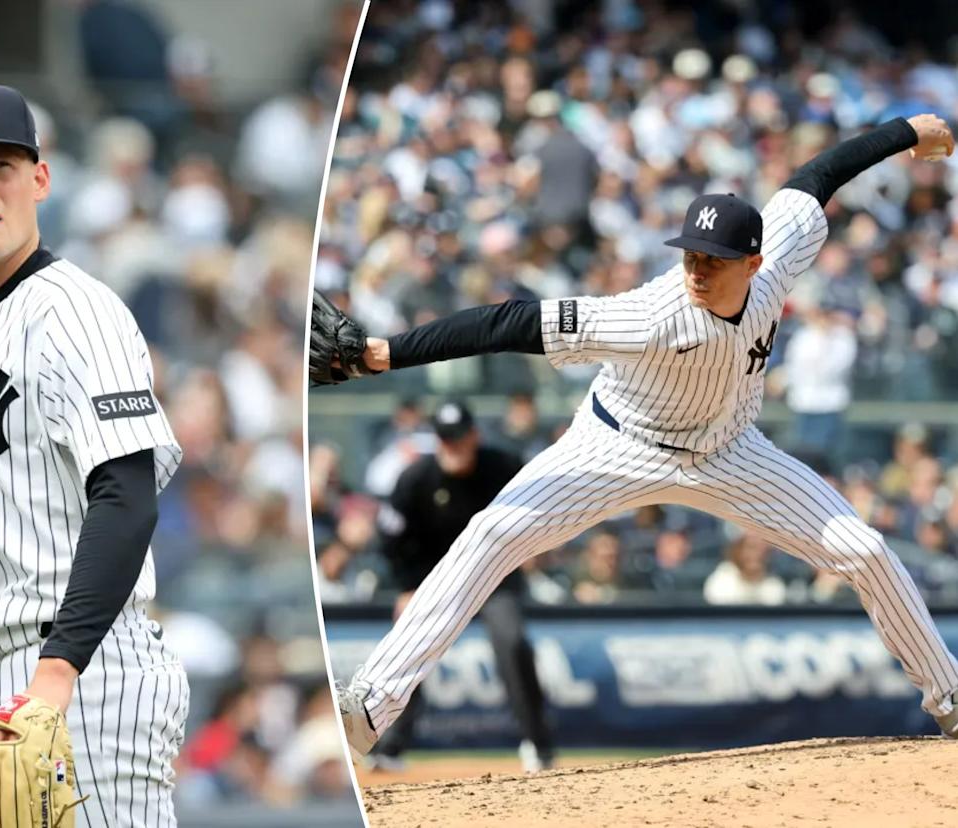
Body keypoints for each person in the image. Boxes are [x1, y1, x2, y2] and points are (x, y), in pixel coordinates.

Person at [326, 114, 958, 756]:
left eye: (714, 259)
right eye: (690, 255)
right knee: (490, 533)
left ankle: (951, 698)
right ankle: (372, 703)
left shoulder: (779, 262)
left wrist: (908, 131)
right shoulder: (648, 316)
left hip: (730, 453)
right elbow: (509, 322)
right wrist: (385, 352)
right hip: (617, 446)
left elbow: (819, 175)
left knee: (867, 550)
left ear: (755, 261)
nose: (698, 270)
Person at [0, 81, 188, 827]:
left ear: (40, 180)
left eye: (1, 167)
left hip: (83, 674)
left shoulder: (75, 311)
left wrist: (57, 674)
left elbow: (126, 496)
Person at [368, 400, 553, 772]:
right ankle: (390, 746)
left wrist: (533, 548)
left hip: (494, 576)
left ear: (474, 436)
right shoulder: (416, 478)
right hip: (433, 580)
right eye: (445, 438)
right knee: (407, 649)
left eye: (459, 437)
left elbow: (539, 510)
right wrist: (407, 587)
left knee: (512, 640)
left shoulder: (502, 466)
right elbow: (391, 540)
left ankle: (538, 743)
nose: (452, 445)